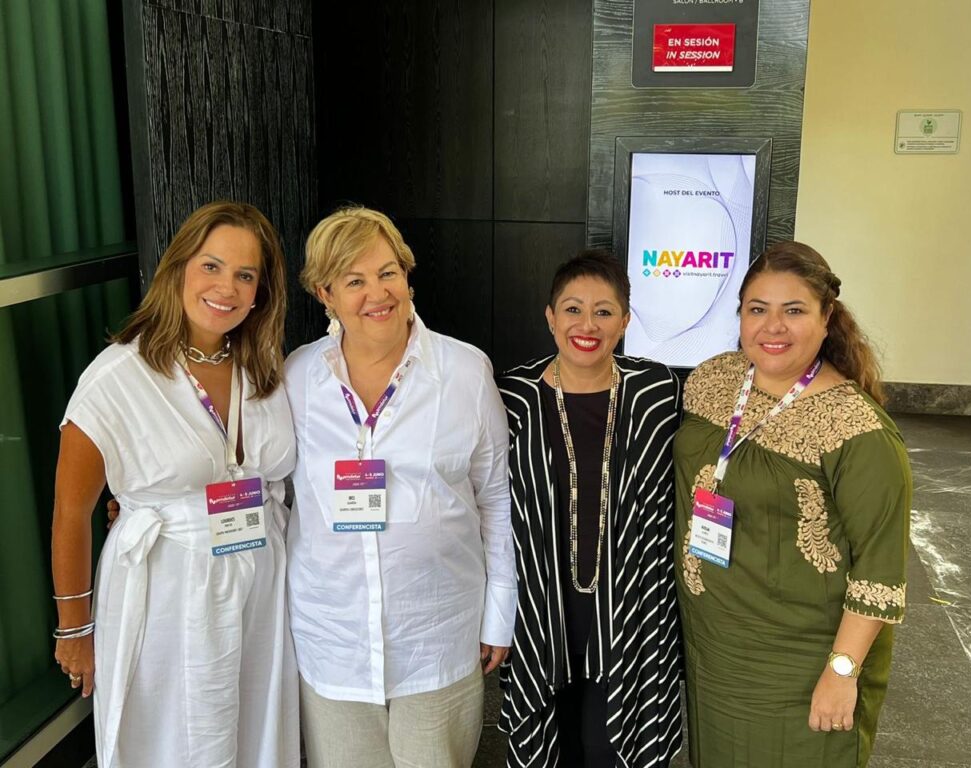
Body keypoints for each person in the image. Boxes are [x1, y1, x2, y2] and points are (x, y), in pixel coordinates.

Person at [51, 202, 299, 767]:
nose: (226, 288)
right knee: (173, 743)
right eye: (211, 267)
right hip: (167, 591)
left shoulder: (263, 368)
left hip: (261, 590)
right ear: (179, 268)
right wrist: (74, 629)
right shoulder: (119, 377)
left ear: (261, 290)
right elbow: (70, 513)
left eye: (245, 275)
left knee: (254, 737)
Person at [285, 206, 516, 768]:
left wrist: (498, 613)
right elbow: (265, 485)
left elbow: (496, 497)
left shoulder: (464, 372)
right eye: (354, 280)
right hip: (332, 639)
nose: (377, 293)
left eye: (388, 273)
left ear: (408, 277)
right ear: (326, 294)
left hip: (435, 636)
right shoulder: (296, 378)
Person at [674, 241, 912, 767]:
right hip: (713, 643)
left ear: (828, 318)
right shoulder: (713, 380)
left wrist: (842, 672)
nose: (773, 327)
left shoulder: (857, 430)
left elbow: (880, 569)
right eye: (758, 309)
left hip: (799, 659)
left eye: (795, 310)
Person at [498, 250, 684, 767]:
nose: (588, 324)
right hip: (540, 604)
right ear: (550, 317)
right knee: (551, 746)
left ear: (625, 321)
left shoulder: (656, 392)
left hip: (633, 609)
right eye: (573, 309)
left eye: (604, 311)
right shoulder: (512, 396)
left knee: (611, 748)